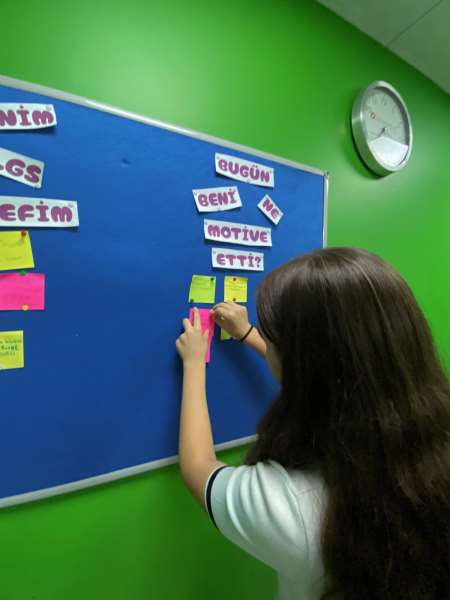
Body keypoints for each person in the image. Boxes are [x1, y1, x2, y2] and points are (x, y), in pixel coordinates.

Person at [175, 247, 450, 599]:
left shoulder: (293, 506)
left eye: (273, 341)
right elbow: (328, 377)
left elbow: (197, 465)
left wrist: (194, 363)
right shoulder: (430, 447)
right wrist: (248, 334)